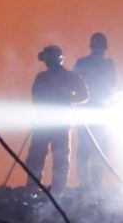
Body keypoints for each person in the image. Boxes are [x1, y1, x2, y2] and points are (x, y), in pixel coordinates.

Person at [24, 45, 89, 194]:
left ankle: (53, 189)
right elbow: (36, 97)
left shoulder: (69, 77)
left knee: (56, 156)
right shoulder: (43, 77)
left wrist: (68, 97)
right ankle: (38, 188)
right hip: (48, 122)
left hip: (58, 122)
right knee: (39, 156)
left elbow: (84, 96)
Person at [73, 32, 117, 190]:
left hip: (99, 110)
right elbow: (73, 82)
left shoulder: (104, 64)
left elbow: (112, 82)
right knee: (88, 147)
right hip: (89, 110)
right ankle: (87, 183)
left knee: (98, 147)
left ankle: (93, 184)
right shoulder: (86, 63)